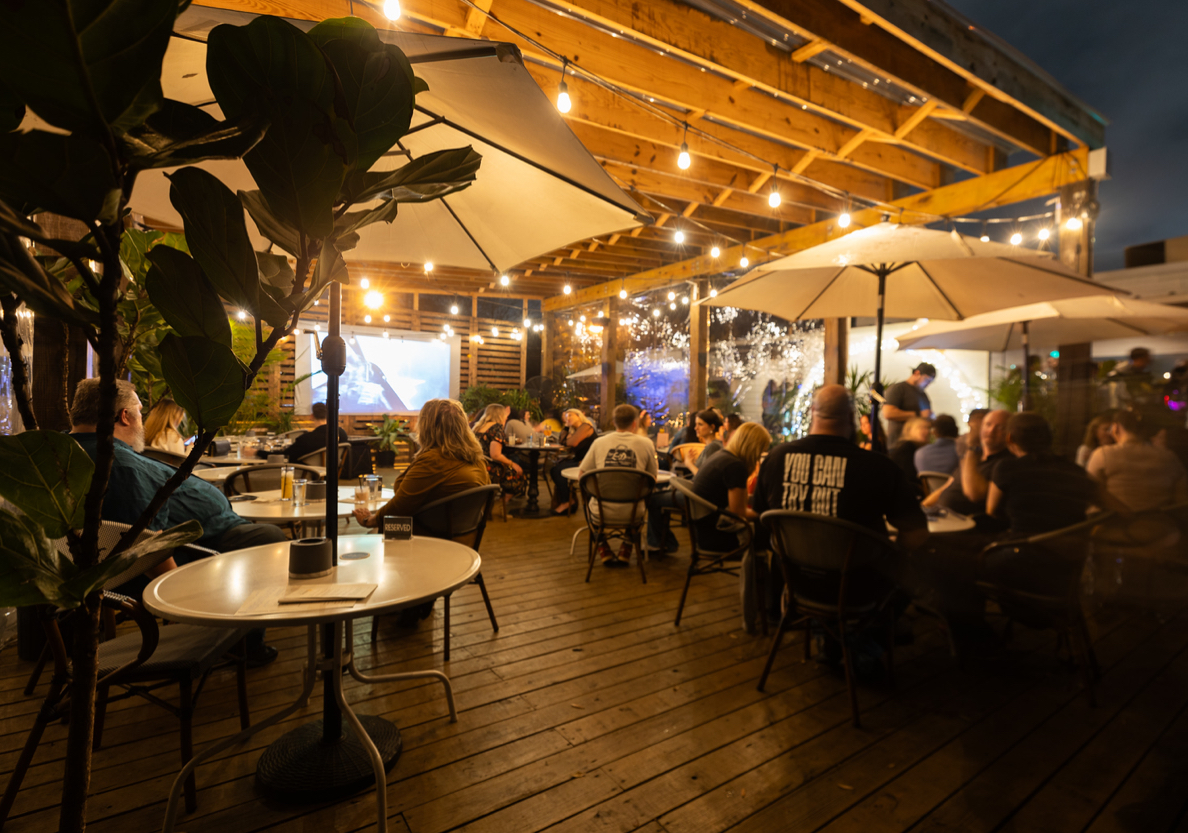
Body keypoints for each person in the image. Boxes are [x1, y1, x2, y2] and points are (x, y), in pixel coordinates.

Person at [69, 379, 285, 666]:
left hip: (190, 538)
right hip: (199, 547)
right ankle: (245, 643)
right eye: (140, 411)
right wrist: (182, 598)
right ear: (125, 416)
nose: (142, 420)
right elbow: (146, 543)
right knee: (268, 538)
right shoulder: (118, 465)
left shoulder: (66, 450)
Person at [753, 385, 928, 549]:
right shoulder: (879, 467)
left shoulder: (776, 458)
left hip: (791, 576)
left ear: (812, 412)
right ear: (852, 416)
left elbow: (762, 517)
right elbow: (917, 532)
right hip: (858, 578)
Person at [354, 399, 490, 528]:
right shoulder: (478, 459)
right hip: (463, 534)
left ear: (427, 428)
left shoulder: (434, 460)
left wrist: (369, 520)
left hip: (429, 535)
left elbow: (400, 505)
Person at [989, 412, 1121, 535]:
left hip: (1023, 550)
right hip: (1070, 555)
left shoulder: (1006, 468)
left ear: (1009, 438)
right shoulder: (1074, 470)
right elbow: (1119, 510)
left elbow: (991, 511)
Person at [577, 404, 659, 565]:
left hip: (600, 512)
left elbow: (582, 475)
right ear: (635, 423)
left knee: (588, 503)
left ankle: (602, 546)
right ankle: (627, 547)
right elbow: (652, 478)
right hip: (634, 512)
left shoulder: (599, 443)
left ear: (614, 422)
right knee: (639, 505)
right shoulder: (646, 443)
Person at [1086, 410, 1188, 512]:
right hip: (1161, 525)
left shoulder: (1102, 454)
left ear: (1115, 428)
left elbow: (1090, 494)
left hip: (1115, 524)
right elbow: (1182, 501)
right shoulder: (1169, 457)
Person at [928, 409, 1011, 522]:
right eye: (988, 425)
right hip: (942, 518)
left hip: (967, 526)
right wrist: (922, 506)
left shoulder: (1005, 462)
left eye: (1000, 427)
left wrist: (972, 446)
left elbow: (974, 494)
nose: (991, 430)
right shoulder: (973, 457)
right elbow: (947, 487)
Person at [473, 403, 527, 505]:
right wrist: (512, 464)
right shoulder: (496, 427)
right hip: (489, 468)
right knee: (519, 474)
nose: (506, 418)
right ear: (500, 415)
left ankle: (489, 504)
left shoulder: (477, 427)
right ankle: (499, 505)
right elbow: (495, 455)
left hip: (476, 465)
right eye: (505, 416)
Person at [550, 408, 597, 513]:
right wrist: (566, 426)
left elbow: (573, 443)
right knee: (554, 470)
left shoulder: (585, 427)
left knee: (558, 471)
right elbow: (562, 440)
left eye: (570, 415)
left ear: (579, 416)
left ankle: (567, 502)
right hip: (579, 459)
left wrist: (567, 441)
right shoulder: (575, 430)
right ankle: (567, 499)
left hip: (587, 462)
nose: (568, 418)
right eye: (566, 417)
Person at [882, 363, 936, 445]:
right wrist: (918, 414)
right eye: (927, 380)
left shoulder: (923, 395)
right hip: (899, 444)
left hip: (918, 445)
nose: (928, 384)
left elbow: (925, 416)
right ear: (917, 373)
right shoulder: (898, 388)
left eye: (930, 382)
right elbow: (888, 413)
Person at [284, 402, 349, 464]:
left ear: (312, 416)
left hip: (308, 473)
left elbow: (287, 455)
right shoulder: (342, 434)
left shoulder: (306, 439)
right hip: (335, 473)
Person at [888, 417, 932, 485]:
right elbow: (911, 477)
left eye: (927, 428)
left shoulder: (916, 447)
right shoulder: (907, 448)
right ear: (909, 430)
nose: (926, 431)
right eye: (920, 427)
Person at [682, 409, 725, 475]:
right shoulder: (711, 445)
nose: (695, 428)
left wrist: (689, 464)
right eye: (696, 424)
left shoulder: (713, 447)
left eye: (700, 424)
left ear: (712, 427)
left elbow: (704, 478)